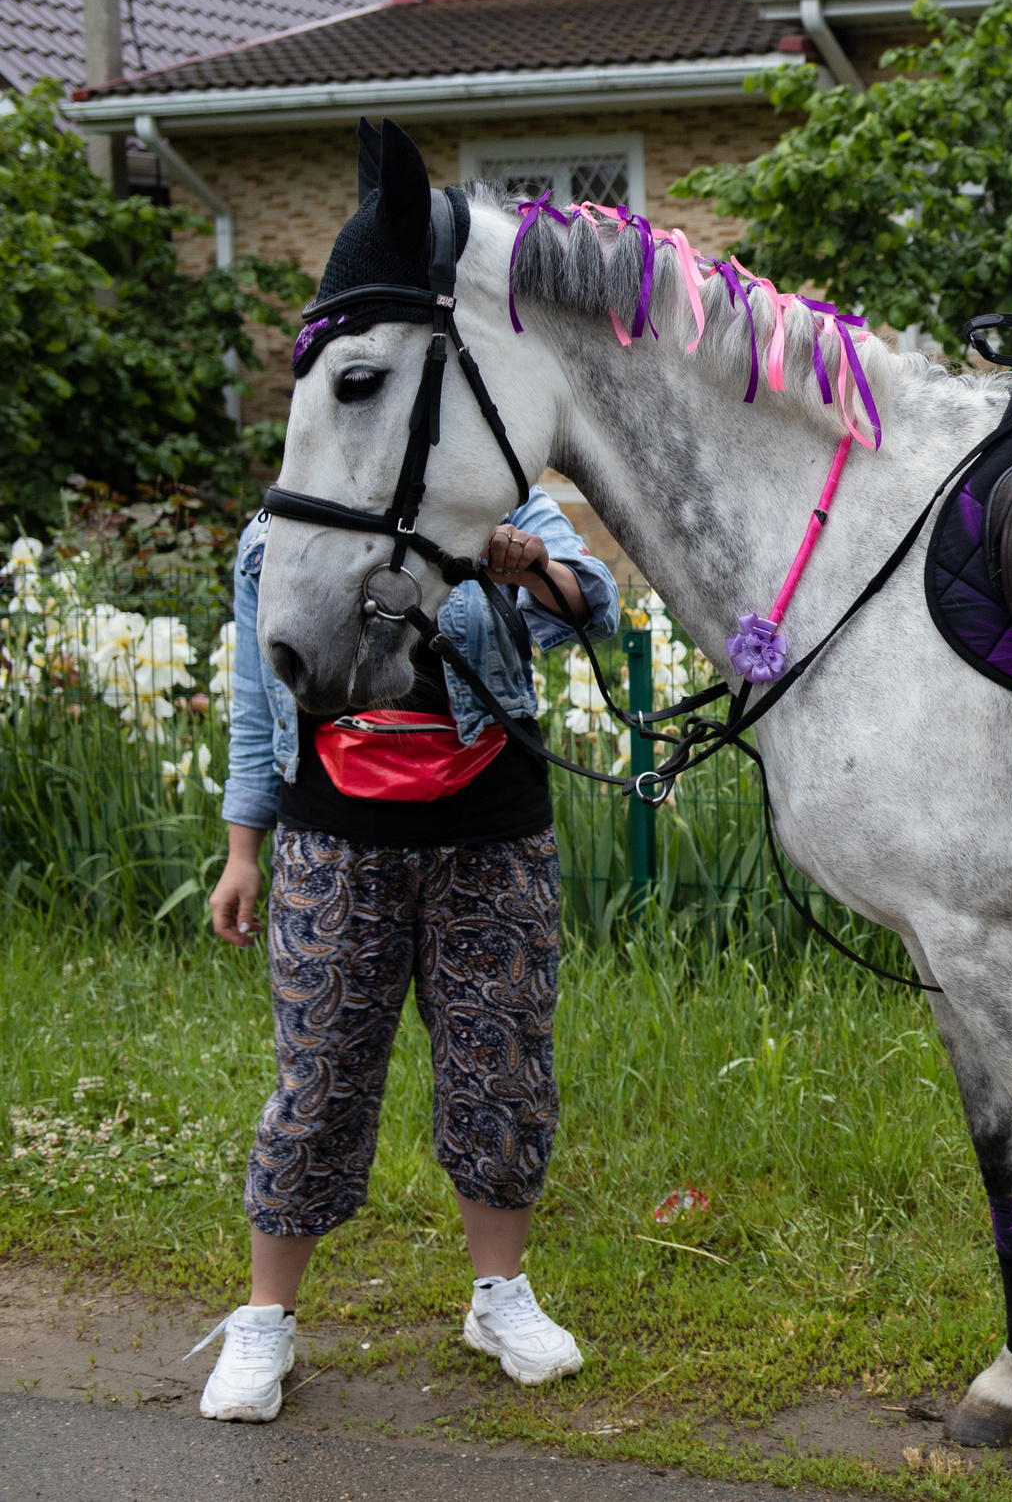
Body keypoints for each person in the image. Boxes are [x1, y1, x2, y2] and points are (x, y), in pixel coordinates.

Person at [192, 169, 620, 1423]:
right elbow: (250, 707)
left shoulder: (496, 497)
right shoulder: (282, 540)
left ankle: (500, 1297)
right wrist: (240, 852)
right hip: (339, 836)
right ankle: (266, 1321)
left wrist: (526, 565)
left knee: (500, 1065)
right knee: (319, 1077)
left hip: (493, 828)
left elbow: (591, 605)